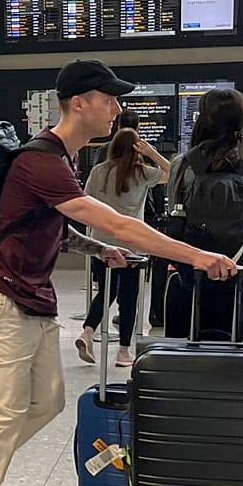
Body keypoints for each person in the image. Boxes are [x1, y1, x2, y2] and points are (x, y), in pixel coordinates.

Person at [0, 60, 238, 486]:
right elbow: (121, 223)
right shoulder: (41, 159)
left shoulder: (61, 159)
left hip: (30, 295)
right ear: (79, 103)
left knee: (49, 400)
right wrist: (197, 256)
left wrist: (97, 249)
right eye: (108, 100)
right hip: (0, 294)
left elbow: (47, 225)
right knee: (6, 405)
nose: (116, 109)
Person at [165, 88, 243, 342]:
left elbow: (174, 214)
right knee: (234, 343)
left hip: (189, 269)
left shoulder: (183, 165)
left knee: (186, 342)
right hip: (238, 267)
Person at [75, 114, 171, 367]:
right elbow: (171, 173)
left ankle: (87, 331)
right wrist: (151, 153)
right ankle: (124, 351)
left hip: (101, 242)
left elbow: (85, 202)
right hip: (130, 244)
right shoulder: (142, 172)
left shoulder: (98, 171)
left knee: (106, 292)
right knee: (129, 296)